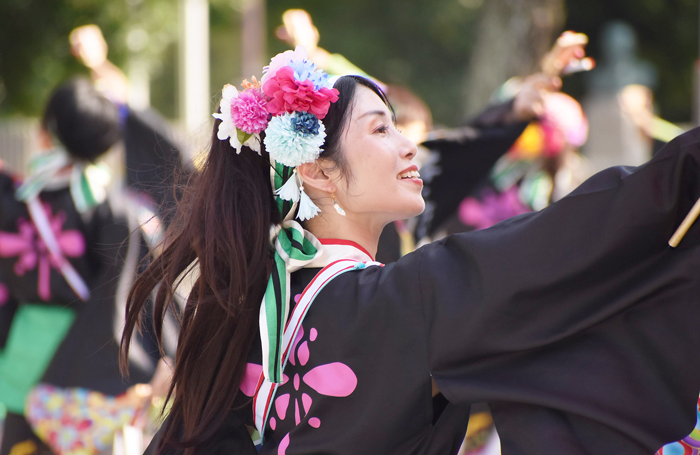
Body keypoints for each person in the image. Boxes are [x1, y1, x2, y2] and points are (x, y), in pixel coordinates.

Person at [124, 47, 700, 455]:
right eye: (380, 130)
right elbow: (562, 244)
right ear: (320, 173)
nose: (408, 147)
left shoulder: (246, 313)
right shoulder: (392, 304)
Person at [0, 78, 173, 455]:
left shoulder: (13, 200)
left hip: (22, 362)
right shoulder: (119, 210)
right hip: (91, 375)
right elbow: (136, 292)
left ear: (44, 132)